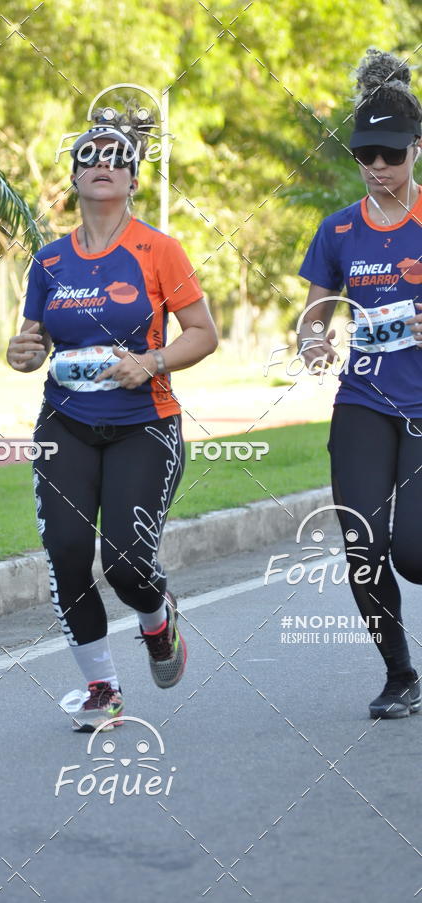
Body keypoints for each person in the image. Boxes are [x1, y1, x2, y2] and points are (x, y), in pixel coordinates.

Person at [7, 108, 218, 731]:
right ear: (73, 176)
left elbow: (203, 335)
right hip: (64, 425)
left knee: (126, 562)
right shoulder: (48, 262)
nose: (102, 165)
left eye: (115, 159)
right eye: (89, 157)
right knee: (68, 552)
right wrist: (22, 352)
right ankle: (102, 687)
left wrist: (150, 362)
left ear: (132, 178)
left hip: (143, 424)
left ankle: (157, 620)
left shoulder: (160, 250)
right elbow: (32, 341)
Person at [298, 48, 422, 719]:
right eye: (365, 154)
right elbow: (312, 316)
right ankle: (400, 672)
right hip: (363, 401)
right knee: (363, 546)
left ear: (416, 149)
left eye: (391, 154)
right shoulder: (338, 229)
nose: (378, 167)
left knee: (415, 552)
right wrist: (312, 340)